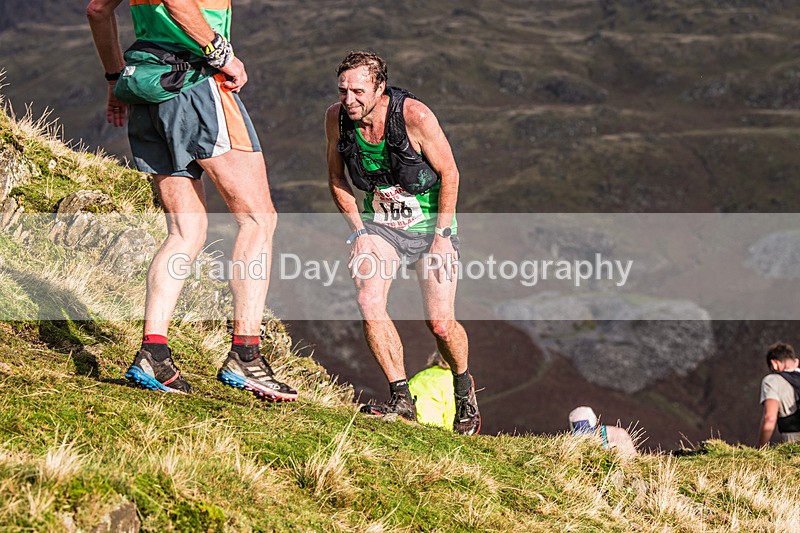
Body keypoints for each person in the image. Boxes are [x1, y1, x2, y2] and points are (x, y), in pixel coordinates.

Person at [86, 0, 296, 400]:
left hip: (146, 86)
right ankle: (246, 355)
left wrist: (114, 80)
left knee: (187, 230)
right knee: (258, 219)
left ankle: (154, 353)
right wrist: (221, 53)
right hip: (193, 82)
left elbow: (97, 10)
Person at [325, 50, 480, 434]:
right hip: (382, 227)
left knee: (440, 324)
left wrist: (443, 237)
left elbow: (450, 173)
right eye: (343, 90)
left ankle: (463, 390)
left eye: (359, 91)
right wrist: (359, 233)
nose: (350, 100)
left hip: (431, 228)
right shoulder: (336, 118)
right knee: (368, 299)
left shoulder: (415, 116)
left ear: (380, 88)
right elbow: (336, 178)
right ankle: (400, 398)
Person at [757, 342, 800, 447]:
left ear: (774, 364)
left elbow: (770, 419)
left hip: (793, 443)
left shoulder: (772, 381)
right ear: (796, 362)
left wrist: (759, 450)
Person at [408, 352, 456, 430]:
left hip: (407, 420)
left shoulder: (420, 374)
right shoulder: (453, 380)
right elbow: (452, 416)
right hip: (433, 428)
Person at [568, 406, 637, 458]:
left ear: (597, 425)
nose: (585, 439)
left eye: (589, 433)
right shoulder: (572, 446)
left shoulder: (618, 435)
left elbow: (634, 461)